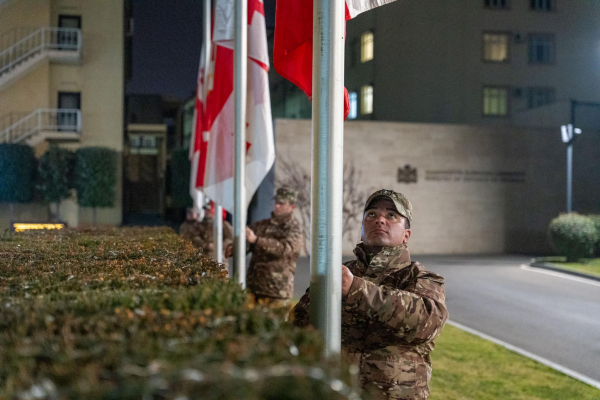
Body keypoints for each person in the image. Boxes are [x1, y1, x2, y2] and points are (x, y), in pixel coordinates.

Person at [292, 189, 448, 400]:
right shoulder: (338, 274)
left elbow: (426, 322)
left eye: (392, 215)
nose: (380, 220)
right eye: (371, 214)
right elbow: (297, 326)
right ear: (363, 228)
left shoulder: (419, 278)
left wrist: (356, 290)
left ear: (406, 235)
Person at [227, 187, 303, 306]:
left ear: (292, 207)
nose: (277, 206)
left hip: (277, 292)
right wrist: (233, 247)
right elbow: (246, 246)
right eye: (276, 202)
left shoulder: (294, 228)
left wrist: (257, 240)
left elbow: (285, 249)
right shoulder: (261, 225)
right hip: (254, 289)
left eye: (281, 203)